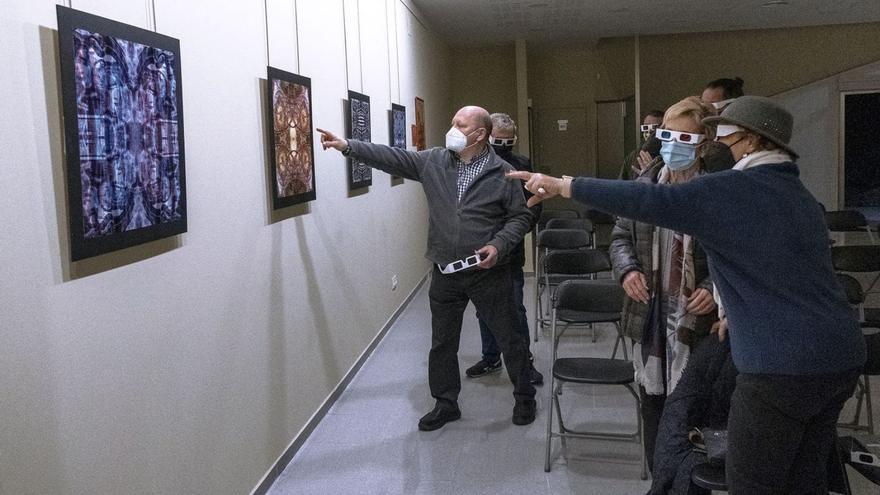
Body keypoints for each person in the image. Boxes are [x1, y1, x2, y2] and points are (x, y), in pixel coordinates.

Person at [510, 96, 866, 494]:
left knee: (754, 482)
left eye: (724, 135)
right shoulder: (798, 194)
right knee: (805, 476)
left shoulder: (732, 188)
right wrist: (734, 307)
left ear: (750, 141)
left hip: (780, 368)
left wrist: (564, 185)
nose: (718, 143)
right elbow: (788, 268)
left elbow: (649, 201)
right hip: (840, 358)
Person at [317, 106, 537, 431]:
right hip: (446, 272)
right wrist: (348, 146)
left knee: (510, 338)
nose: (452, 128)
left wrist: (499, 245)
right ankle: (446, 403)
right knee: (442, 343)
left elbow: (521, 217)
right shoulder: (434, 161)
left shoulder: (502, 172)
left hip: (488, 273)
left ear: (479, 134)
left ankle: (524, 397)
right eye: (453, 121)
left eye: (460, 125)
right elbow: (393, 158)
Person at [609, 96, 719, 473]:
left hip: (695, 320)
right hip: (649, 314)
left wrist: (713, 285)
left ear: (703, 144)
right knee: (652, 401)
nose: (672, 143)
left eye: (685, 137)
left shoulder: (718, 192)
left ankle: (689, 479)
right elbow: (620, 236)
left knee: (692, 409)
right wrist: (627, 271)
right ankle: (661, 476)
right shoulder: (644, 186)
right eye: (667, 133)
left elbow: (737, 253)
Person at [465, 113, 544, 385]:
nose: (503, 146)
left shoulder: (521, 166)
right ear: (486, 136)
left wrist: (512, 233)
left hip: (509, 253)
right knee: (483, 309)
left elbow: (535, 206)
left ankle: (524, 362)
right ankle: (491, 357)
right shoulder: (471, 164)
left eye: (509, 142)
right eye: (498, 141)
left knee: (515, 309)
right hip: (478, 251)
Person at [619, 110, 666, 180]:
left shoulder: (669, 155)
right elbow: (622, 184)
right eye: (646, 128)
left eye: (654, 128)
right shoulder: (633, 156)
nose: (649, 132)